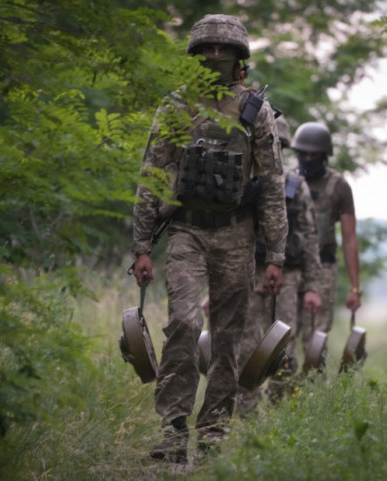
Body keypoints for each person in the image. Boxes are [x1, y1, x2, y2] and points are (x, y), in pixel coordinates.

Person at [131, 14, 287, 464]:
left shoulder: (256, 111)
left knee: (229, 337)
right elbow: (152, 176)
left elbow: (273, 186)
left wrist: (275, 254)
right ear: (196, 54)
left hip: (237, 235)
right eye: (207, 48)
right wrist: (141, 246)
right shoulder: (176, 106)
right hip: (186, 231)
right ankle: (174, 428)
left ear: (239, 55)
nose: (215, 55)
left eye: (224, 48)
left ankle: (215, 429)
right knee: (182, 321)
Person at [235, 115, 322, 415]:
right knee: (245, 345)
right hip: (248, 272)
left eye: (278, 144)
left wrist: (312, 287)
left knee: (283, 347)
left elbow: (310, 238)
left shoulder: (297, 186)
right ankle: (245, 413)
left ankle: (280, 413)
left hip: (288, 277)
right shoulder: (243, 181)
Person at [291, 122, 362, 353]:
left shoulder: (339, 186)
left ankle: (313, 387)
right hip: (290, 266)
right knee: (284, 333)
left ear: (324, 156)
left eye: (314, 155)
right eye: (304, 154)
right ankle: (281, 388)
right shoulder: (287, 180)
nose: (308, 159)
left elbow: (350, 238)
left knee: (316, 336)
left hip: (324, 266)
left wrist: (354, 288)